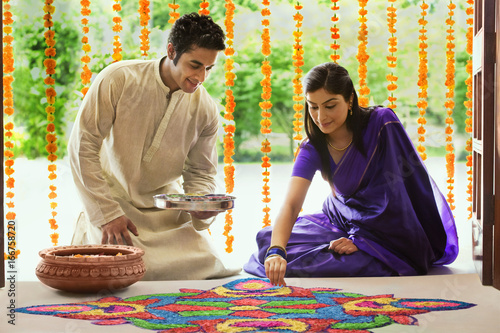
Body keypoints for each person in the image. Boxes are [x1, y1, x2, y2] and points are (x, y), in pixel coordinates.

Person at [244, 62, 458, 286]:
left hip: (390, 229)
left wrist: (363, 241)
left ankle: (370, 254)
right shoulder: (312, 147)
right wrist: (276, 251)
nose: (320, 116)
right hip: (339, 219)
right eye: (313, 106)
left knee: (348, 259)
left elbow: (400, 192)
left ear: (350, 100)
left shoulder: (382, 124)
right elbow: (291, 205)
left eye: (330, 105)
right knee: (268, 241)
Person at [68, 12, 240, 280]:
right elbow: (82, 146)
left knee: (210, 266)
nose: (201, 77)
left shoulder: (205, 108)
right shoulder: (119, 79)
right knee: (122, 271)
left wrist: (201, 206)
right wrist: (108, 214)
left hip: (167, 217)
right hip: (116, 207)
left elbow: (201, 173)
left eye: (208, 68)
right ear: (171, 51)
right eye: (195, 65)